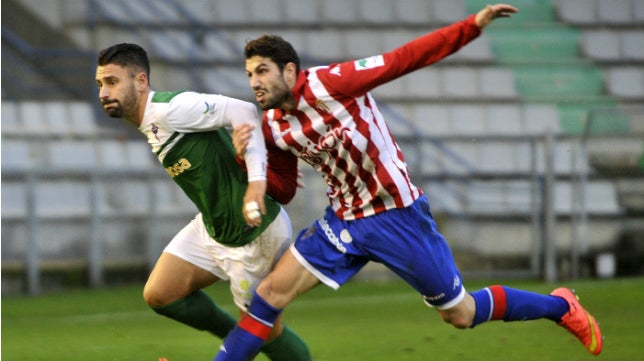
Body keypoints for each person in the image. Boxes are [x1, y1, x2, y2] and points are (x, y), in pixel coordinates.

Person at [215, 4, 603, 360]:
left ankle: (561, 307)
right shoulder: (273, 127)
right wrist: (244, 155)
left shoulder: (333, 84)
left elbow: (402, 60)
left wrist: (470, 27)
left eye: (262, 71)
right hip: (343, 221)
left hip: (397, 216)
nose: (254, 82)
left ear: (289, 70)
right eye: (249, 74)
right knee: (266, 296)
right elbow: (283, 189)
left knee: (461, 314)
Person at [94, 43, 311, 361]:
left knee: (269, 330)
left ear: (140, 81)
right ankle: (240, 336)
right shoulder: (150, 124)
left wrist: (257, 180)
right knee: (161, 294)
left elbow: (243, 111)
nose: (103, 92)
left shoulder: (171, 109)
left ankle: (249, 338)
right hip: (213, 227)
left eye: (112, 82)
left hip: (251, 232)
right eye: (100, 84)